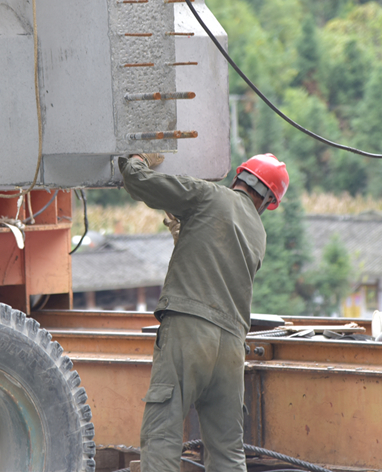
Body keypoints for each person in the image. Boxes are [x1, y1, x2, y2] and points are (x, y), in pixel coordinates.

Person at [119, 152, 289, 472]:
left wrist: (137, 159)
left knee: (162, 434)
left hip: (189, 331)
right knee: (227, 451)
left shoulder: (208, 195)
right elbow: (211, 249)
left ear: (239, 177)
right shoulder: (258, 234)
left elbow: (139, 182)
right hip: (230, 349)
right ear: (268, 201)